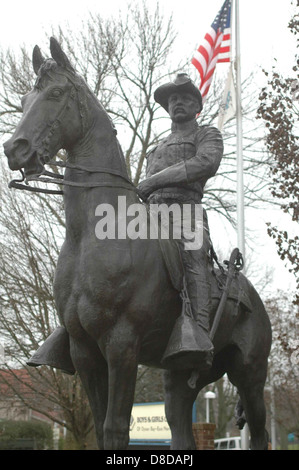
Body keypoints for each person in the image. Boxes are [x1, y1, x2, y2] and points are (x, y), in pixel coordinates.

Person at [138, 73, 224, 370]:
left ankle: (200, 339)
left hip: (186, 212)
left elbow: (205, 163)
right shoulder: (155, 148)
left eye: (186, 98)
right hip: (150, 215)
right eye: (173, 99)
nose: (178, 103)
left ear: (197, 106)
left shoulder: (207, 135)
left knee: (193, 260)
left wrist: (154, 181)